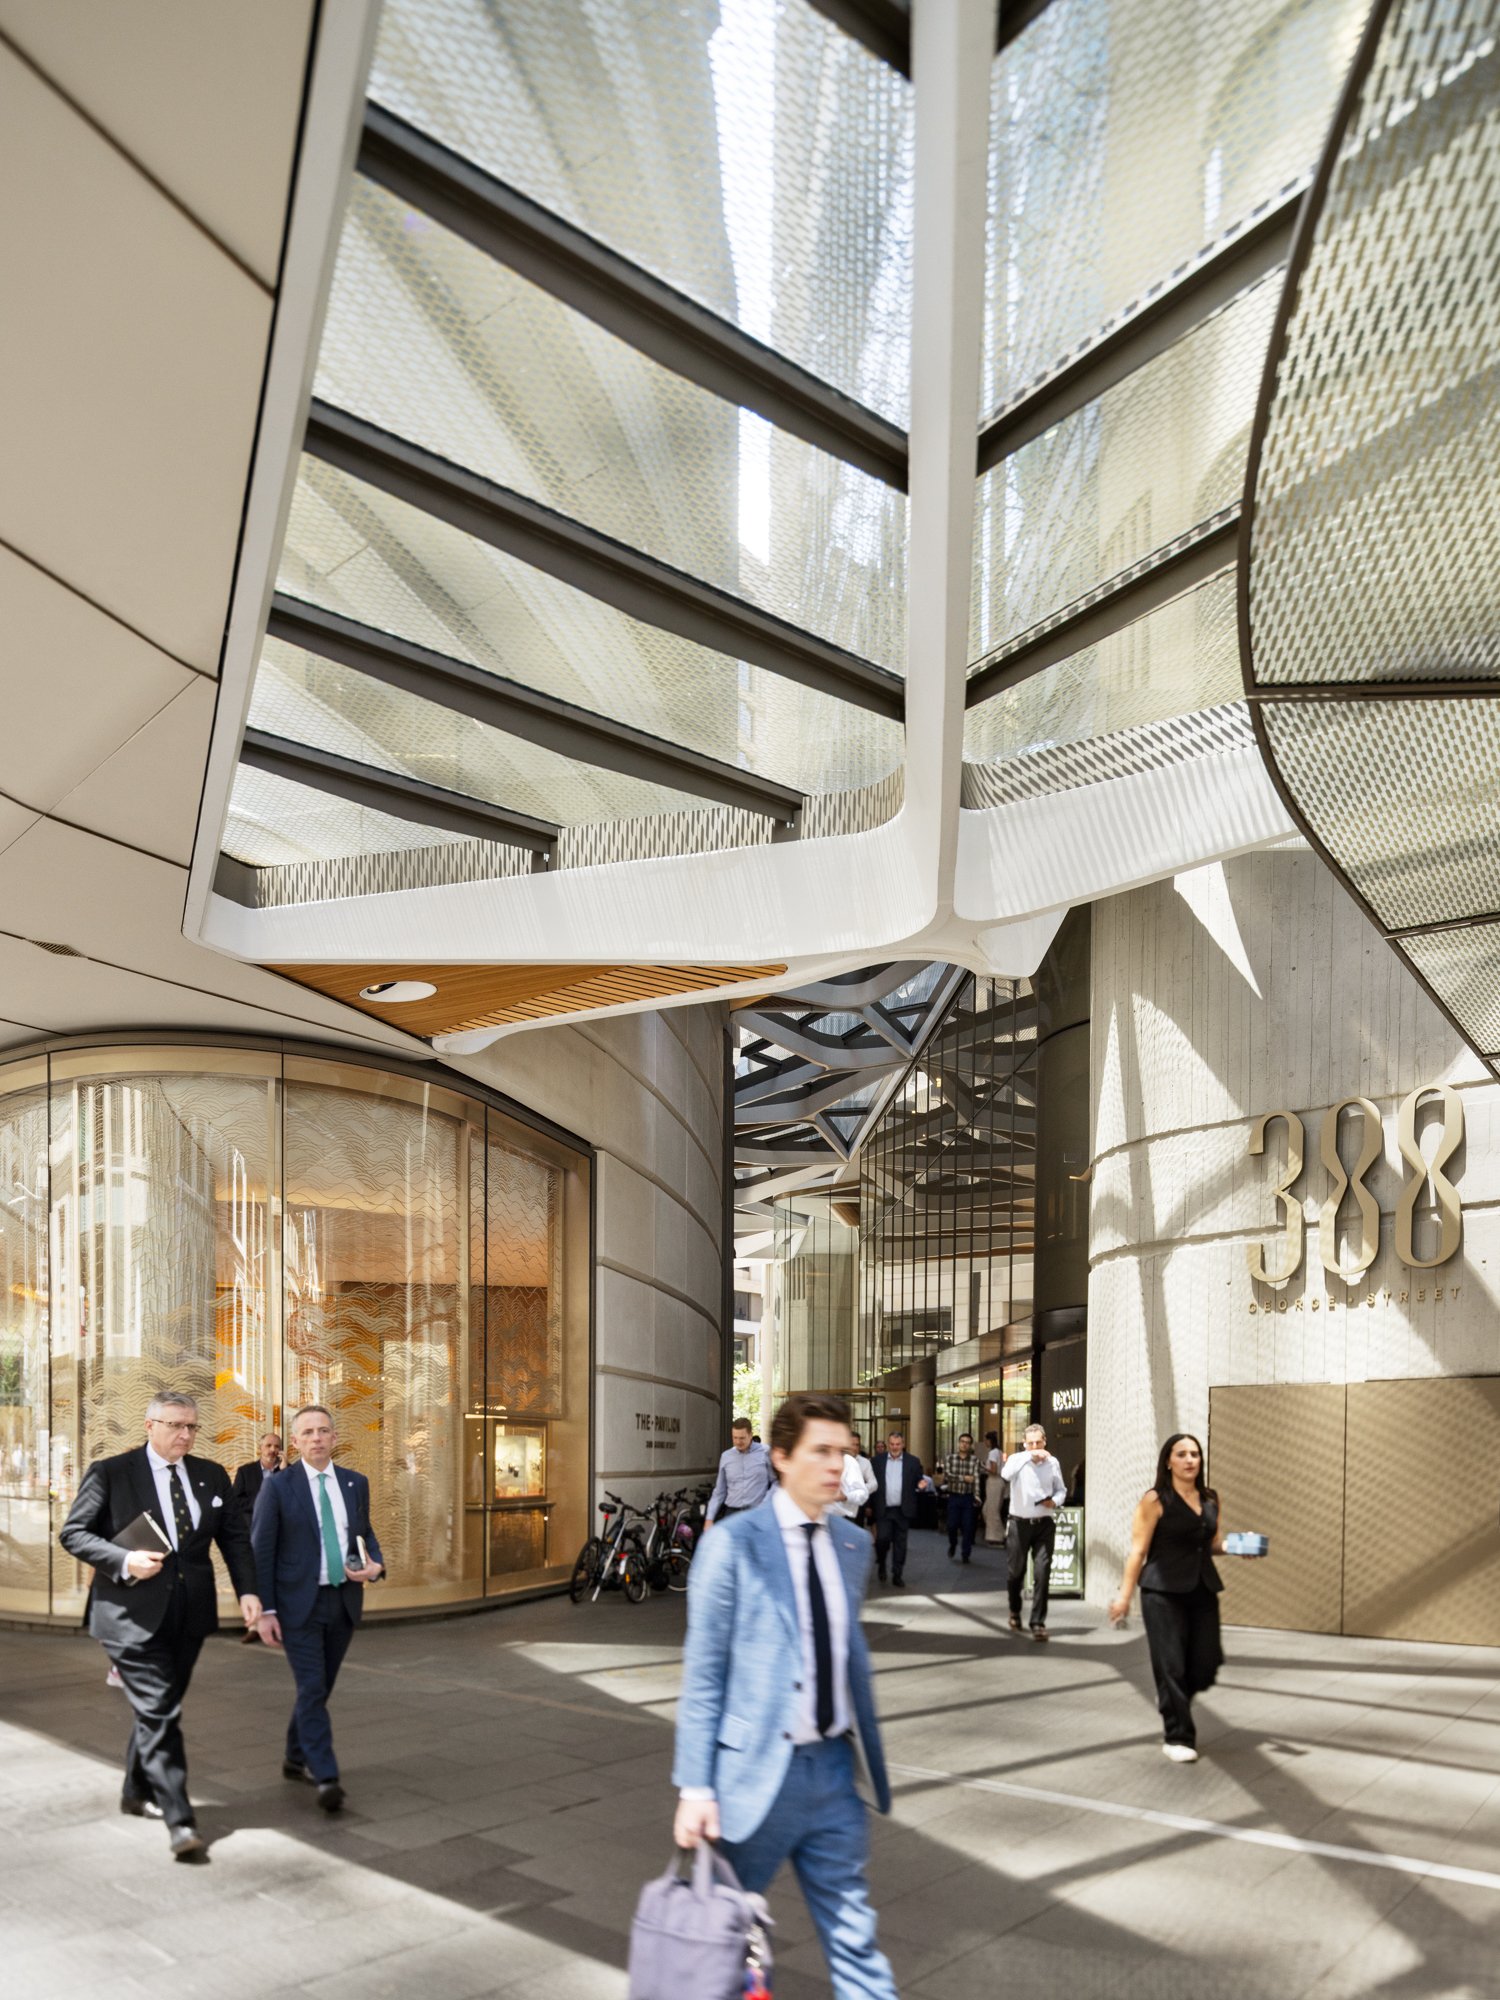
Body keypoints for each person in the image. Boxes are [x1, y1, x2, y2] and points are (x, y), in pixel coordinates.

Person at [672, 1391, 897, 2000]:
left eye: (843, 1453)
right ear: (781, 1458)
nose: (836, 1466)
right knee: (723, 1943)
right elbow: (704, 1675)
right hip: (751, 1781)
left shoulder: (854, 1546)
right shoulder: (733, 1545)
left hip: (832, 1778)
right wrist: (696, 1786)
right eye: (820, 1452)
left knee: (855, 1939)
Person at [58, 1389, 260, 1859]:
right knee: (162, 1712)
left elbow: (233, 1537)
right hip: (127, 1616)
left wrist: (250, 1591)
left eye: (191, 1426)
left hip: (190, 1613)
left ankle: (134, 1789)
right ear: (150, 1426)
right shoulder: (111, 1473)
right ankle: (180, 1819)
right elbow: (74, 1533)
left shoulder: (210, 1475)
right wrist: (124, 1558)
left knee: (158, 1708)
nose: (185, 1435)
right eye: (175, 1425)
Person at [251, 1405, 384, 1812]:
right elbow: (262, 1550)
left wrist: (376, 1567)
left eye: (323, 1430)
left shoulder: (354, 1484)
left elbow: (366, 1537)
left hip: (342, 1602)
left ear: (334, 1436)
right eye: (307, 1432)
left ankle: (294, 1755)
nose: (316, 1438)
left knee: (319, 1688)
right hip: (297, 1605)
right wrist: (266, 1611)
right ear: (295, 1441)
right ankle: (325, 1775)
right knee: (311, 1687)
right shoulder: (277, 1486)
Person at [1109, 1432, 1230, 1763]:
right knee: (1171, 1663)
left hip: (1203, 1588)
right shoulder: (1154, 1500)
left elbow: (1213, 1543)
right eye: (1182, 1454)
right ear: (1168, 1461)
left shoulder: (1210, 1499)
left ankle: (1174, 1703)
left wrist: (1235, 1547)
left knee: (1206, 1664)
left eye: (1195, 1454)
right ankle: (1178, 1734)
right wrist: (1124, 1597)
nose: (1190, 1460)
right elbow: (1138, 1550)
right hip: (1162, 1591)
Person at [1001, 1424, 1066, 1639]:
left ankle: (1038, 1621)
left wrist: (1055, 1501)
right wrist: (1029, 1456)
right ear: (1024, 1444)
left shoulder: (1053, 1463)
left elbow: (1061, 1490)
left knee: (1042, 1573)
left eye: (1038, 1443)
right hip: (1019, 1523)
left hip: (1044, 1523)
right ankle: (1014, 1610)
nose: (1035, 1447)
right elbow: (1005, 1474)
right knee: (1015, 1573)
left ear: (1045, 1441)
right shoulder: (1017, 1461)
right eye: (1030, 1443)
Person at [230, 1432, 283, 1641]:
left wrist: (285, 1469)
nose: (272, 1450)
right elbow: (234, 1502)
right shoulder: (246, 1472)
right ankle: (253, 1626)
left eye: (276, 1446)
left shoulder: (289, 1471)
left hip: (281, 1534)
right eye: (268, 1445)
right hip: (253, 1533)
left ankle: (277, 1625)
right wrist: (262, 1504)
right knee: (253, 1578)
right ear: (260, 1448)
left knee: (278, 1578)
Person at [869, 1429, 931, 1588]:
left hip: (903, 1510)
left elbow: (919, 1480)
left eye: (898, 1444)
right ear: (888, 1444)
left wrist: (921, 1485)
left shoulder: (913, 1462)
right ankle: (882, 1563)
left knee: (900, 1543)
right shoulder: (877, 1462)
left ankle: (897, 1573)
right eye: (892, 1444)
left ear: (903, 1444)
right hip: (884, 1509)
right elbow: (871, 1484)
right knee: (882, 1540)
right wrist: (869, 1506)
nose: (895, 1447)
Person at [705, 1416, 774, 1524]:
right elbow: (719, 1491)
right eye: (735, 1438)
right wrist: (709, 1518)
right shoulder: (726, 1457)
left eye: (742, 1438)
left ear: (750, 1435)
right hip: (732, 1514)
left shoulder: (765, 1452)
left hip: (757, 1513)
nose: (738, 1442)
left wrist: (767, 1502)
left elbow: (776, 1482)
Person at [942, 1432, 983, 1563]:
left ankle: (966, 1553)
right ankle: (953, 1544)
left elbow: (976, 1479)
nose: (964, 1444)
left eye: (967, 1442)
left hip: (968, 1497)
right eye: (962, 1441)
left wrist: (977, 1496)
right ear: (958, 1443)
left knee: (968, 1526)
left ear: (970, 1445)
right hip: (954, 1496)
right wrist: (964, 1478)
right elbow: (947, 1476)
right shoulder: (950, 1458)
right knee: (952, 1525)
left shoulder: (975, 1460)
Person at [836, 1429, 877, 1525]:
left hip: (856, 1507)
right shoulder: (838, 1460)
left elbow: (874, 1484)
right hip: (836, 1509)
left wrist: (858, 1490)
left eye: (857, 1445)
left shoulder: (865, 1463)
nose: (854, 1448)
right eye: (852, 1444)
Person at [981, 1430, 1005, 1546]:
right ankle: (996, 1533)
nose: (984, 1442)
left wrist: (984, 1467)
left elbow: (994, 1470)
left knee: (992, 1510)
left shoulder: (992, 1453)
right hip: (999, 1481)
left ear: (989, 1441)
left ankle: (997, 1535)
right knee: (988, 1509)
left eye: (985, 1440)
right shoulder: (999, 1452)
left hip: (993, 1481)